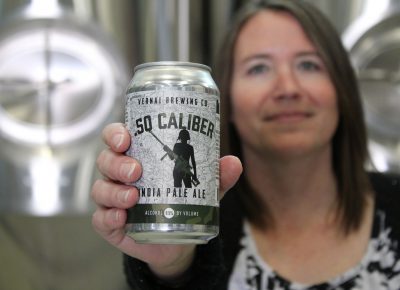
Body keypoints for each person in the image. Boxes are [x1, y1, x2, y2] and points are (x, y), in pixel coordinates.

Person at [91, 0, 400, 289]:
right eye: (259, 68)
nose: (288, 88)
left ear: (341, 88)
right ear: (227, 101)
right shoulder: (210, 222)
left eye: (308, 65)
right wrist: (174, 267)